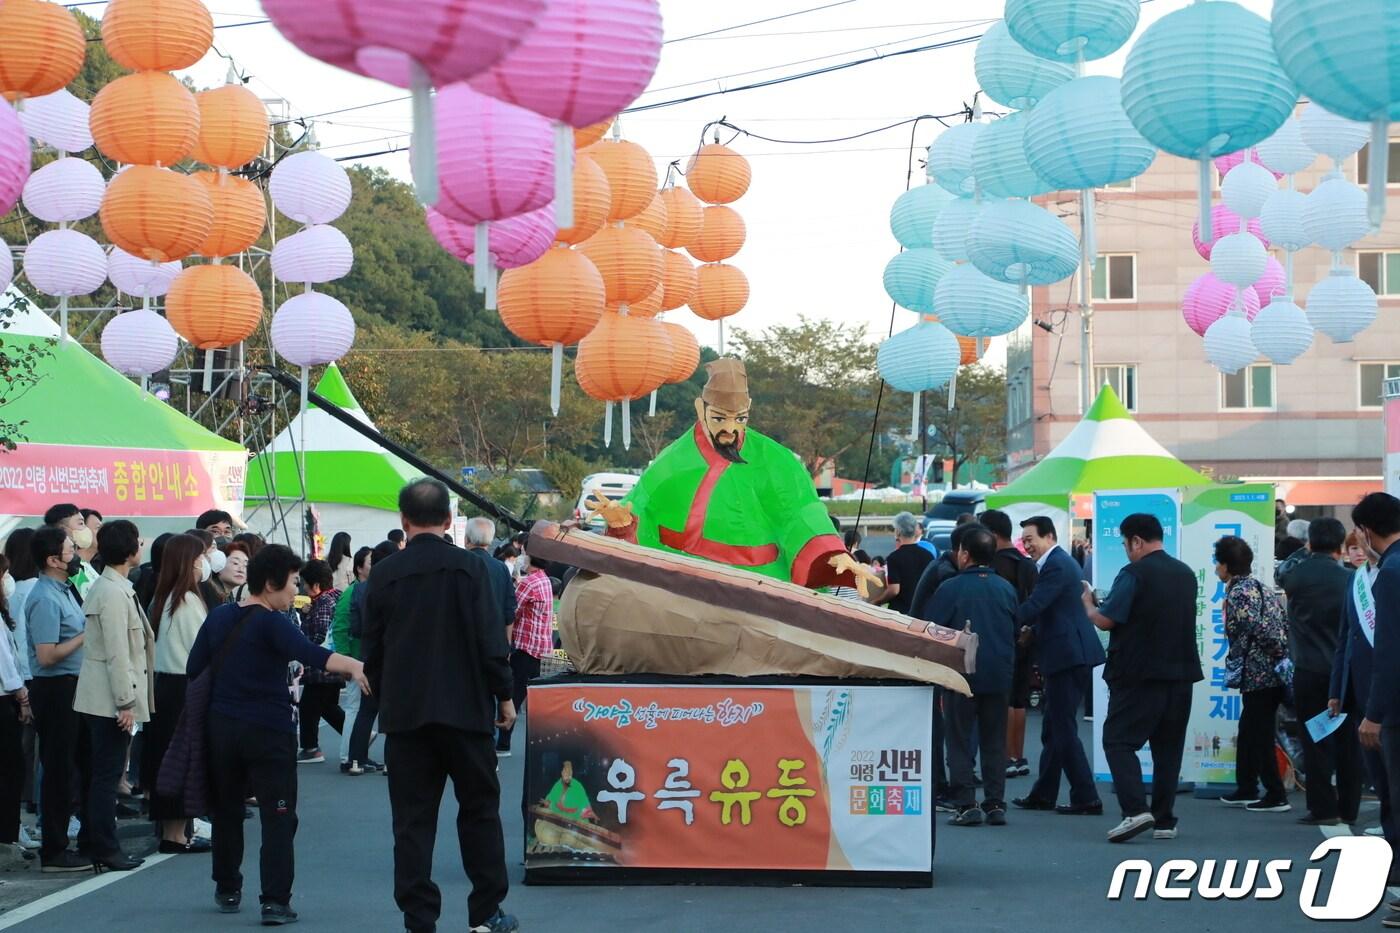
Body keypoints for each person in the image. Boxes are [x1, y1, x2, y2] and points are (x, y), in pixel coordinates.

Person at [362, 478, 518, 933]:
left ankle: (419, 918)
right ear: (450, 521)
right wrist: (504, 696)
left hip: (406, 715)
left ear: (403, 521)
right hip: (466, 711)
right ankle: (486, 912)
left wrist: (383, 690)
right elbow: (492, 642)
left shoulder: (386, 574)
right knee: (480, 811)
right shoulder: (471, 569)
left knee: (412, 822)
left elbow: (373, 648)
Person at [189, 544, 368, 925]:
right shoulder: (272, 622)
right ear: (270, 584)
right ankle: (274, 900)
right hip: (268, 731)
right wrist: (354, 665)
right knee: (279, 815)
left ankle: (227, 887)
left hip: (221, 728)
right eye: (292, 583)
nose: (295, 591)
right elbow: (311, 654)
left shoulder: (219, 617)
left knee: (227, 810)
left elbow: (194, 667)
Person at [588, 359, 871, 593]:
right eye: (720, 418)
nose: (731, 429)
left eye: (740, 419)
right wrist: (623, 524)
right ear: (701, 410)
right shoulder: (672, 461)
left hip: (760, 583)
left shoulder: (775, 460)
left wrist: (830, 553)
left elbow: (799, 510)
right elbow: (643, 503)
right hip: (686, 579)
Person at [1081, 514, 1203, 843]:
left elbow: (1106, 621)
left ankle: (1134, 810)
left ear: (1136, 541)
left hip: (1138, 673)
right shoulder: (1185, 574)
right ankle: (1165, 820)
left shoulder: (1134, 573)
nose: (1125, 550)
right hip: (1180, 674)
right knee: (1168, 749)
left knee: (1118, 740)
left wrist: (1089, 606)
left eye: (1125, 544)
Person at [921, 525, 1016, 827]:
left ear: (964, 553)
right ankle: (996, 803)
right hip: (1000, 674)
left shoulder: (950, 587)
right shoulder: (1006, 588)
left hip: (961, 675)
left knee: (959, 740)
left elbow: (932, 629)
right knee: (994, 740)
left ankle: (965, 803)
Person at [73, 520, 154, 872]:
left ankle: (96, 843)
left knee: (100, 776)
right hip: (110, 701)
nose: (141, 545)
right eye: (138, 540)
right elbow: (118, 654)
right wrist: (126, 702)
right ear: (130, 549)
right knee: (106, 778)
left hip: (104, 697)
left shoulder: (114, 586)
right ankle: (105, 848)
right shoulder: (111, 591)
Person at [1012, 516, 1106, 816]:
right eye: (1024, 540)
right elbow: (1055, 611)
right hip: (1067, 653)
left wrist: (1001, 618)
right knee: (1053, 728)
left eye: (1031, 539)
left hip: (1068, 655)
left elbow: (1037, 604)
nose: (1027, 545)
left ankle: (1087, 797)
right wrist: (1032, 630)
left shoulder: (1057, 564)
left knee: (1062, 729)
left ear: (1049, 536)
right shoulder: (1059, 562)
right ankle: (1044, 793)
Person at [1278, 517, 1360, 826]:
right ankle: (1349, 808)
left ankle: (1323, 808)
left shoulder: (1297, 577)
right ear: (1341, 545)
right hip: (1346, 672)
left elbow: (1282, 570)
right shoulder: (1350, 578)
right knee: (1349, 740)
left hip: (1309, 669)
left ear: (1309, 543)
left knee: (1315, 739)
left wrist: (1304, 551)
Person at [26, 525, 90, 871]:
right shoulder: (44, 598)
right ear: (53, 560)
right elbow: (47, 655)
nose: (76, 555)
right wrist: (84, 635)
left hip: (74, 687)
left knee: (75, 768)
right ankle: (54, 850)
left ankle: (70, 842)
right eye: (70, 551)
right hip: (55, 689)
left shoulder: (65, 590)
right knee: (58, 771)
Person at [144, 533, 212, 852]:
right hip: (183, 686)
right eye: (199, 558)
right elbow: (204, 649)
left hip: (163, 685)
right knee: (181, 760)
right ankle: (176, 835)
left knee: (166, 758)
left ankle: (175, 832)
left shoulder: (163, 597)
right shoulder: (188, 599)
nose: (204, 564)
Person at [1216, 535, 1291, 813]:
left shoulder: (1238, 593)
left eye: (1218, 563)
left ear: (1226, 565)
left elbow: (1259, 629)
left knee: (1258, 732)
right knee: (1250, 730)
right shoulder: (1261, 587)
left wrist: (1274, 650)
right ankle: (1246, 787)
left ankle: (1275, 793)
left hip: (1259, 674)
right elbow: (1281, 623)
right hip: (1269, 673)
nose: (1216, 569)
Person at [1332, 529, 1395, 861]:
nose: (1359, 552)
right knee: (1378, 772)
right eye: (1352, 548)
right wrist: (1336, 691)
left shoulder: (1392, 572)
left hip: (1388, 692)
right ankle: (1389, 832)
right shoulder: (1354, 581)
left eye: (1361, 545)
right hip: (1359, 690)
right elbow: (1345, 638)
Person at [1351, 493, 1400, 904]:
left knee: (1395, 795)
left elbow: (1389, 649)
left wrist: (1375, 713)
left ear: (1366, 531)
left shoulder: (1391, 571)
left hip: (1396, 708)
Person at [980, 509, 1038, 779]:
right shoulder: (1026, 563)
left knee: (1003, 700)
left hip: (1002, 639)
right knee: (1019, 699)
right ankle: (1019, 755)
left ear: (991, 534)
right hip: (1026, 637)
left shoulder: (992, 567)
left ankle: (1005, 757)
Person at [496, 550, 553, 757]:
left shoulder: (530, 582)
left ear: (530, 560)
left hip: (525, 646)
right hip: (540, 647)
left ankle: (503, 743)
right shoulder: (544, 580)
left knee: (511, 695)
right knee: (533, 700)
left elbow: (513, 609)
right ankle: (540, 746)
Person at [295, 559, 344, 764]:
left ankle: (310, 748)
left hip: (321, 666)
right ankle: (358, 735)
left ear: (315, 585)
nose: (304, 589)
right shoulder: (335, 597)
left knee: (309, 707)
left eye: (305, 584)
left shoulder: (324, 603)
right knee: (327, 706)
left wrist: (304, 646)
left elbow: (321, 634)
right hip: (332, 665)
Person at [0, 552, 31, 863]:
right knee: (10, 770)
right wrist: (21, 694)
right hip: (3, 699)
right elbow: (5, 663)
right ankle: (6, 837)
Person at [332, 547, 375, 772]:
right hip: (355, 659)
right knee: (355, 708)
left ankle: (358, 756)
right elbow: (340, 627)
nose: (375, 564)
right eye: (371, 561)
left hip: (362, 659)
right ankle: (349, 756)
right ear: (359, 568)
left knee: (359, 708)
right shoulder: (351, 593)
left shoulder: (367, 590)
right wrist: (344, 660)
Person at [466, 518, 516, 632]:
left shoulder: (456, 564)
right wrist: (506, 642)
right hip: (493, 637)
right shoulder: (501, 568)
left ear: (466, 539)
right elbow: (509, 609)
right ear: (490, 540)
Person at [881, 511, 935, 616]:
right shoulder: (928, 555)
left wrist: (877, 601)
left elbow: (894, 590)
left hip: (900, 613)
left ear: (898, 532)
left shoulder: (894, 557)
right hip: (923, 611)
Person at [44, 503, 97, 600]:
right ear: (62, 529)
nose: (86, 529)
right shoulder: (62, 567)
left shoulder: (82, 565)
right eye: (81, 524)